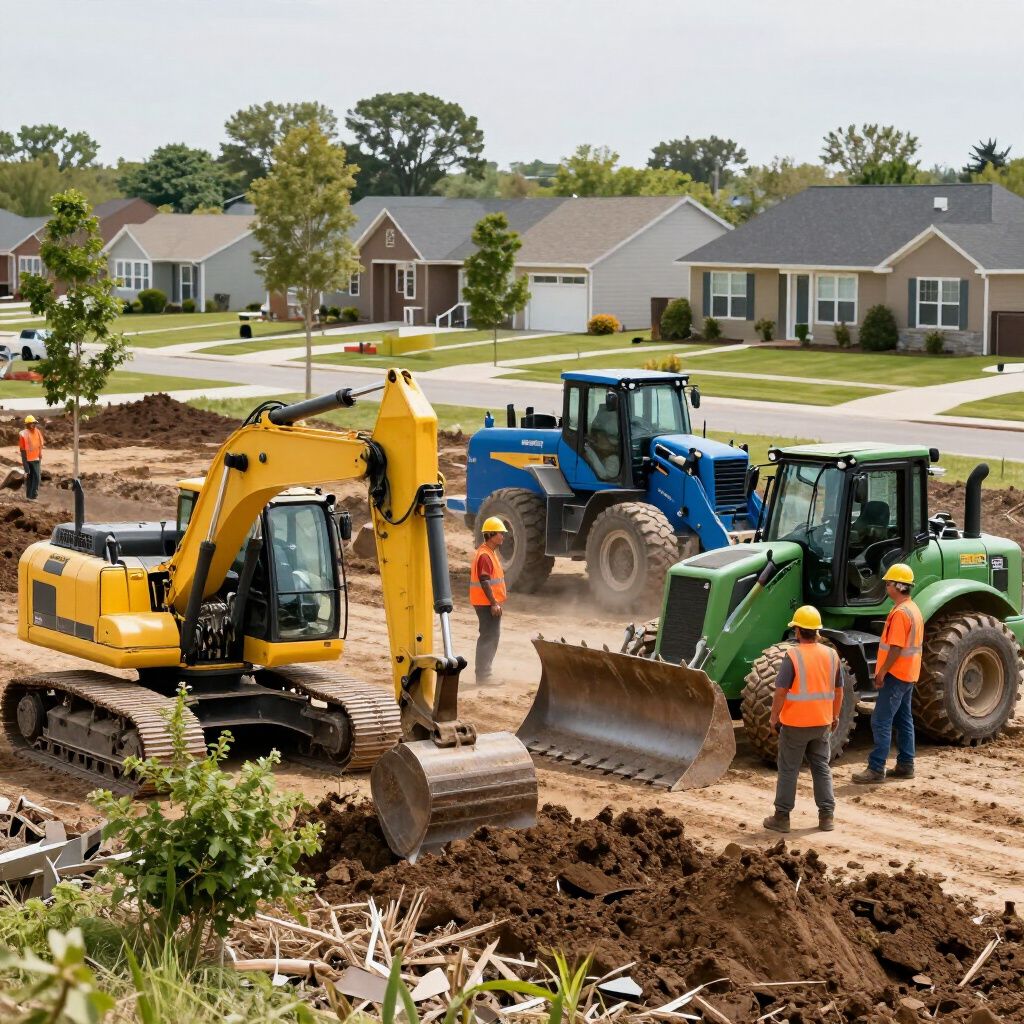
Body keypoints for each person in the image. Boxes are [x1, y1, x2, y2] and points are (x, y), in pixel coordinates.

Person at [762, 605, 844, 834]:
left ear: (798, 631)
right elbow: (839, 691)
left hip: (795, 725)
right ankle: (827, 816)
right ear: (817, 631)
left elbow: (780, 691)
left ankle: (782, 817)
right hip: (821, 723)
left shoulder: (793, 656)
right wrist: (835, 716)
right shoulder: (831, 655)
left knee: (789, 769)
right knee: (821, 767)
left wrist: (773, 718)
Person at [853, 563, 923, 784]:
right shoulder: (912, 609)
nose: (886, 586)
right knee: (903, 719)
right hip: (908, 673)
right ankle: (905, 764)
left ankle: (875, 768)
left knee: (881, 720)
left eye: (889, 583)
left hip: (896, 674)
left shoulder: (901, 613)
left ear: (899, 586)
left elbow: (895, 647)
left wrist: (882, 672)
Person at [469, 516, 507, 683]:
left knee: (490, 636)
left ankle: (484, 674)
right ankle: (484, 677)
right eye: (500, 533)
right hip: (486, 603)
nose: (503, 536)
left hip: (487, 602)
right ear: (491, 534)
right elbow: (484, 580)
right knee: (489, 637)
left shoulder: (488, 552)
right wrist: (493, 603)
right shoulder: (485, 555)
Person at [18, 415, 44, 501]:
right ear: (27, 424)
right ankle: (29, 496)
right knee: (30, 478)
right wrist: (25, 464)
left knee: (36, 477)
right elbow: (22, 449)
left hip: (36, 458)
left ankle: (33, 496)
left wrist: (40, 453)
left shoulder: (37, 432)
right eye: (31, 423)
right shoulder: (23, 434)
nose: (33, 424)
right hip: (27, 459)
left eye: (33, 423)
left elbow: (40, 444)